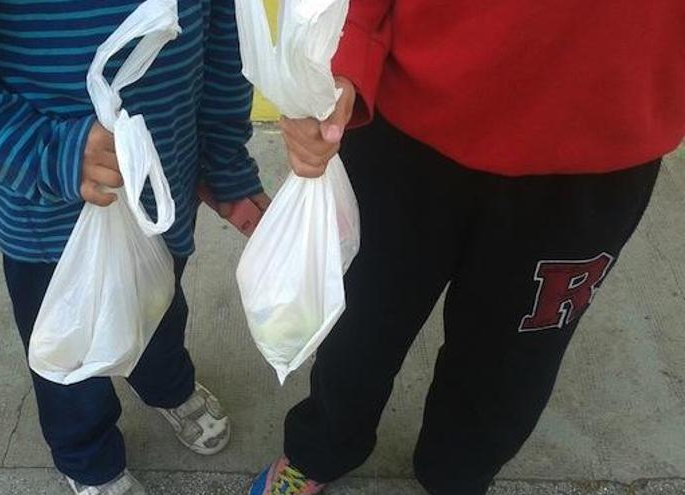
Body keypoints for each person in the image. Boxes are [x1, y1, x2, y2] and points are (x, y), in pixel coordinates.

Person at [252, 1, 684, 494]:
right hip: (410, 120)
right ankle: (321, 447)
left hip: (601, 146)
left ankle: (457, 478)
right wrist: (340, 55)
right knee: (359, 321)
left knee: (511, 363)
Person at [0, 1, 269, 494]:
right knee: (70, 345)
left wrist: (222, 155)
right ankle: (87, 455)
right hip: (51, 203)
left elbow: (220, 26)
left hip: (166, 170)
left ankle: (165, 381)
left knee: (159, 298)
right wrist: (47, 149)